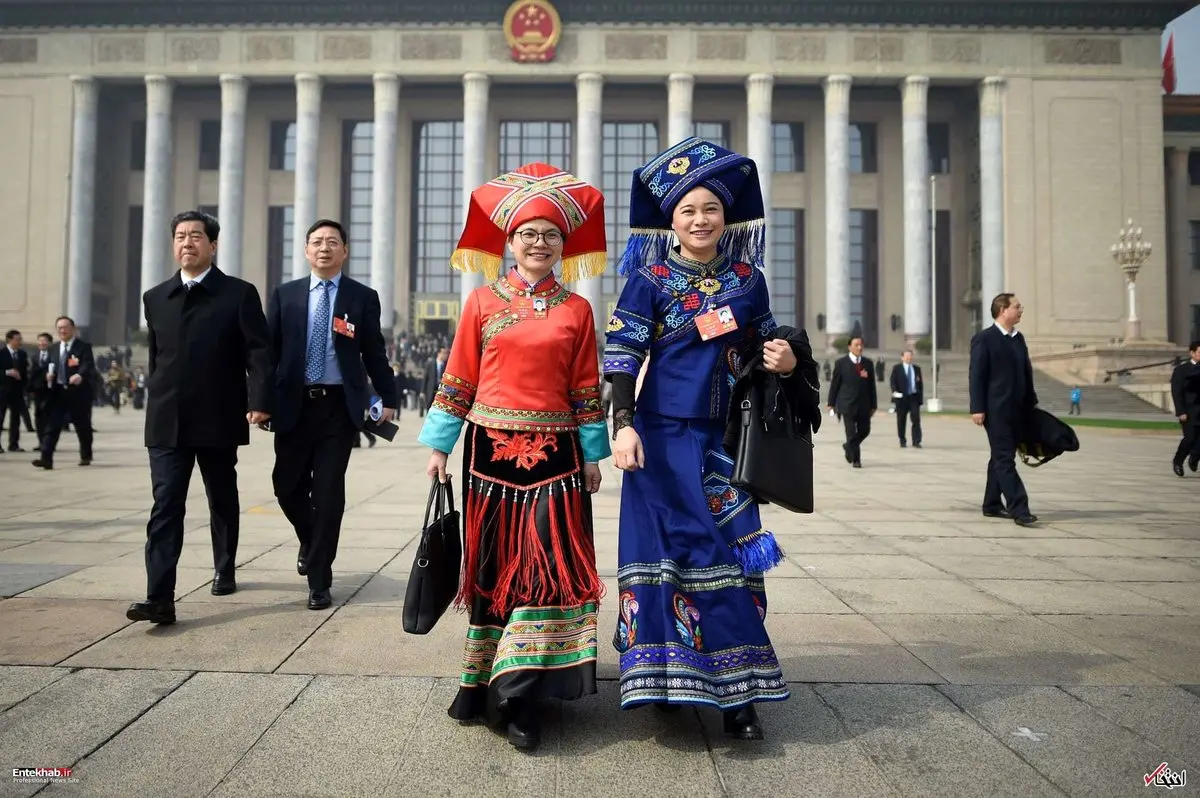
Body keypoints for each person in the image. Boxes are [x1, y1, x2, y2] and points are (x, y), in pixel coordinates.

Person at [604, 138, 798, 741]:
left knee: (732, 555)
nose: (699, 220)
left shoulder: (749, 279)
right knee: (670, 556)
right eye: (687, 211)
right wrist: (623, 425)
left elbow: (768, 351)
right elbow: (620, 358)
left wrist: (788, 361)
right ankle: (667, 676)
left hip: (725, 440)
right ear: (672, 221)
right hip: (659, 440)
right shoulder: (648, 278)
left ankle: (740, 694)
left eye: (710, 209)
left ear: (725, 216)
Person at [419, 162, 611, 751]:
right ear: (509, 241)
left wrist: (592, 454)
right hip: (487, 455)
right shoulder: (479, 301)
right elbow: (458, 379)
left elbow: (584, 388)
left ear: (564, 245)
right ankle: (486, 683)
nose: (538, 243)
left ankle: (525, 692)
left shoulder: (577, 310)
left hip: (556, 456)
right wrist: (437, 449)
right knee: (494, 569)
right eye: (528, 233)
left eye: (550, 234)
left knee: (547, 568)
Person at [125, 210, 273, 625]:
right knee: (165, 505)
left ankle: (224, 566)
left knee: (221, 496)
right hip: (167, 420)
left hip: (218, 415)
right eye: (179, 236)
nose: (186, 243)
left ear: (213, 244)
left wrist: (260, 400)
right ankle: (160, 598)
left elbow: (259, 353)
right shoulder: (155, 297)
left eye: (195, 236)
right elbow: (156, 356)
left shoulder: (239, 294)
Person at [267, 219, 397, 611]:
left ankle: (319, 579)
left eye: (332, 242)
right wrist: (258, 400)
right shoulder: (284, 295)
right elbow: (267, 354)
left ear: (345, 251)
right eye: (317, 242)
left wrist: (388, 395)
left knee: (327, 493)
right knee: (286, 487)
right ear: (306, 250)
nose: (324, 248)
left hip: (338, 409)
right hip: (292, 405)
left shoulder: (361, 297)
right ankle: (311, 540)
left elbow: (373, 350)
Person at [969, 293, 1038, 526]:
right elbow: (976, 376)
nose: (1021, 310)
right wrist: (977, 408)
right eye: (1017, 306)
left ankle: (991, 504)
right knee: (1004, 459)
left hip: (1017, 409)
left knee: (999, 457)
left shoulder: (1018, 339)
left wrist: (1031, 401)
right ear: (1002, 310)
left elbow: (1026, 373)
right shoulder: (984, 339)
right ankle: (1020, 508)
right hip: (995, 410)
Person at [32, 316, 96, 470]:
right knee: (51, 427)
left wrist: (80, 375)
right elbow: (45, 367)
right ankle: (46, 458)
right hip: (57, 393)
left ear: (73, 329)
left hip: (77, 393)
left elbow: (87, 364)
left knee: (82, 426)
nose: (62, 330)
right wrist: (46, 376)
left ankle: (86, 455)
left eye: (65, 327)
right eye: (59, 328)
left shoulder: (83, 346)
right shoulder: (53, 348)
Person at [827, 336, 878, 467]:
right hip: (847, 404)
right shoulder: (841, 363)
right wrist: (831, 402)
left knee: (865, 430)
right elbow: (835, 384)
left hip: (864, 405)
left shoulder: (868, 363)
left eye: (861, 345)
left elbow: (872, 386)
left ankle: (848, 445)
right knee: (851, 432)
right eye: (856, 345)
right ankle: (856, 460)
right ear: (849, 347)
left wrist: (873, 405)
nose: (859, 347)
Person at [1170, 341, 1200, 477]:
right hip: (1189, 412)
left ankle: (1194, 457)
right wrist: (1181, 411)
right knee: (1190, 438)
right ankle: (1178, 461)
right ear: (1192, 353)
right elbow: (1177, 392)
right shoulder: (1181, 371)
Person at [1, 330, 30, 452]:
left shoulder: (22, 354)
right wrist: (7, 372)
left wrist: (26, 387)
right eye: (17, 339)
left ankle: (14, 444)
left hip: (17, 392)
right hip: (2, 391)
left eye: (20, 339)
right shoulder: (1, 354)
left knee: (16, 419)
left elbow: (25, 372)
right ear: (9, 340)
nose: (20, 342)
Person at [888, 349, 923, 448]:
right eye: (906, 356)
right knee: (901, 420)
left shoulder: (916, 369)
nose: (908, 358)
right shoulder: (897, 368)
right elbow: (893, 381)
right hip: (901, 398)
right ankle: (902, 440)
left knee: (916, 419)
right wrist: (895, 392)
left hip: (913, 397)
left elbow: (920, 385)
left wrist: (920, 399)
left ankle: (916, 441)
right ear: (902, 357)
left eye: (910, 356)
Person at [27, 332, 54, 447]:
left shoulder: (55, 356)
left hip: (51, 391)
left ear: (50, 343)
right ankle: (41, 441)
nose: (42, 343)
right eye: (40, 340)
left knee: (49, 416)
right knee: (38, 416)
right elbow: (32, 374)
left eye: (44, 341)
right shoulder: (34, 357)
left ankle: (49, 441)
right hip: (38, 391)